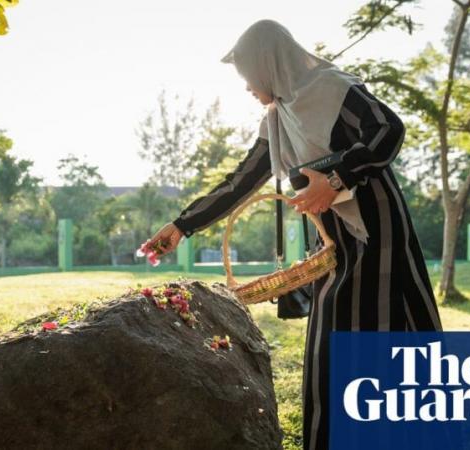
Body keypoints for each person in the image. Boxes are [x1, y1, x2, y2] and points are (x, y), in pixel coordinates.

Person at [144, 19, 443, 450]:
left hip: (376, 228)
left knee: (383, 329)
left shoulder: (334, 89)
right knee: (329, 346)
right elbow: (242, 180)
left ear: (269, 63)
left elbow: (388, 130)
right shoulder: (278, 117)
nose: (247, 85)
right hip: (330, 237)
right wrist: (182, 225)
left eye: (248, 74)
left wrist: (337, 177)